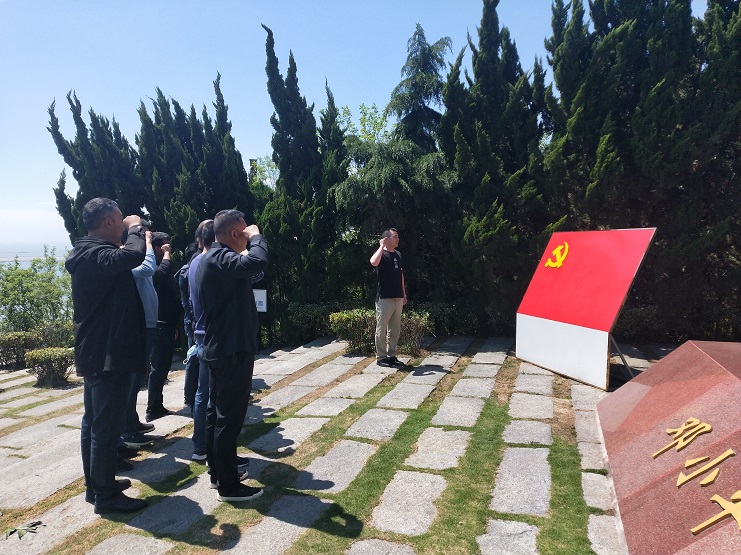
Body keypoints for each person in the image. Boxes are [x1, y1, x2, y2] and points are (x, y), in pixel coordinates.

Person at [65, 197, 148, 514]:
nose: (124, 226)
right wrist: (136, 227)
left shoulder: (89, 253)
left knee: (94, 423)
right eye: (121, 221)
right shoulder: (95, 254)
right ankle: (105, 496)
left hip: (98, 351)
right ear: (110, 222)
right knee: (105, 428)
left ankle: (97, 487)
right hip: (107, 354)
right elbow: (134, 255)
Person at [195, 209, 268, 502]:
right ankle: (228, 486)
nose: (247, 239)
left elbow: (251, 270)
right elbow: (258, 261)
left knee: (217, 414)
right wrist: (258, 237)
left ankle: (218, 473)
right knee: (229, 418)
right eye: (245, 234)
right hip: (231, 349)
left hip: (223, 347)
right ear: (235, 234)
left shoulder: (214, 258)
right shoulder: (220, 257)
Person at [121, 229, 158, 450]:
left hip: (148, 325)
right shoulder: (126, 261)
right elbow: (148, 268)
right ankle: (127, 431)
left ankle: (132, 423)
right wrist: (148, 243)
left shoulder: (133, 261)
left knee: (136, 381)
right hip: (140, 326)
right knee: (132, 382)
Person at [146, 232, 182, 421]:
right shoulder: (152, 267)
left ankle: (157, 405)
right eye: (165, 246)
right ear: (157, 248)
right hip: (159, 324)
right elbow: (161, 275)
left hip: (167, 322)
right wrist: (166, 254)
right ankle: (152, 409)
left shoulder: (161, 265)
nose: (169, 250)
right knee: (158, 367)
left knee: (163, 367)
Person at [370, 228, 407, 368]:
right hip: (384, 298)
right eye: (395, 237)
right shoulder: (382, 254)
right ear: (387, 239)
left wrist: (403, 293)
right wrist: (381, 246)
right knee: (381, 329)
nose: (398, 239)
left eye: (398, 237)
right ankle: (381, 358)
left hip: (398, 298)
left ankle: (392, 356)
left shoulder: (398, 254)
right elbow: (373, 262)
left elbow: (401, 275)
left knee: (395, 329)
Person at [177, 241, 200, 410]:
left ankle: (190, 394)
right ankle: (189, 395)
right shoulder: (187, 272)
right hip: (192, 320)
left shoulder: (184, 271)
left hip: (190, 319)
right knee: (193, 358)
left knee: (193, 357)